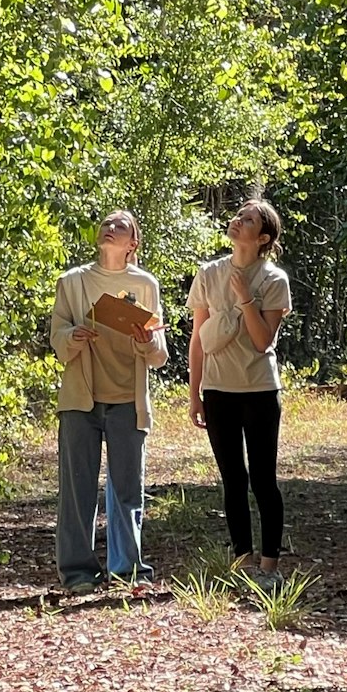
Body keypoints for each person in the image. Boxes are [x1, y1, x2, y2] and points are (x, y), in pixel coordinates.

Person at [50, 210, 170, 593]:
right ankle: (78, 573)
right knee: (77, 488)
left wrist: (144, 341)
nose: (109, 228)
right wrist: (74, 335)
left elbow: (159, 353)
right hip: (80, 399)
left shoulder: (145, 284)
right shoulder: (73, 281)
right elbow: (57, 339)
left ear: (132, 243)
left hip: (127, 400)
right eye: (106, 223)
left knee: (126, 489)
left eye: (120, 226)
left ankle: (127, 570)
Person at [188, 200, 292, 590]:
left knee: (264, 479)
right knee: (232, 478)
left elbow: (264, 340)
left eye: (248, 219)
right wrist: (195, 393)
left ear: (262, 237)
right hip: (218, 391)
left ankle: (269, 567)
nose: (237, 220)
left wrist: (246, 298)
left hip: (260, 390)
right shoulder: (209, 273)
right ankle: (242, 561)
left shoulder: (274, 279)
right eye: (238, 215)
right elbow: (198, 340)